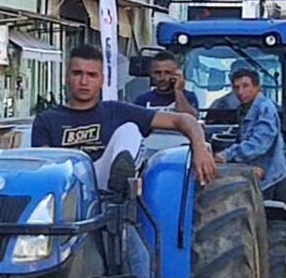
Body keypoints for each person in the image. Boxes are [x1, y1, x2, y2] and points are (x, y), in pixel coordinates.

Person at [31, 44, 216, 185]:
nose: (84, 81)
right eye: (77, 73)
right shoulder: (46, 120)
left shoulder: (116, 110)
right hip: (68, 186)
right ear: (67, 77)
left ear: (102, 79)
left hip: (106, 180)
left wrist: (199, 148)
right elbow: (43, 171)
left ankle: (121, 187)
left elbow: (184, 119)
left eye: (92, 75)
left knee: (129, 129)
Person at [213, 69, 286, 189]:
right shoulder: (245, 108)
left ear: (257, 86)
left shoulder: (265, 109)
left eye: (245, 86)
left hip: (266, 175)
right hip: (250, 169)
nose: (240, 92)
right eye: (236, 87)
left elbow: (259, 144)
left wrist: (227, 154)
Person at [134, 51, 199, 117]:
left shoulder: (189, 97)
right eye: (157, 72)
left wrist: (178, 91)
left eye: (167, 72)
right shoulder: (142, 100)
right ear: (151, 74)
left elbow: (190, 120)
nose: (162, 78)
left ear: (176, 73)